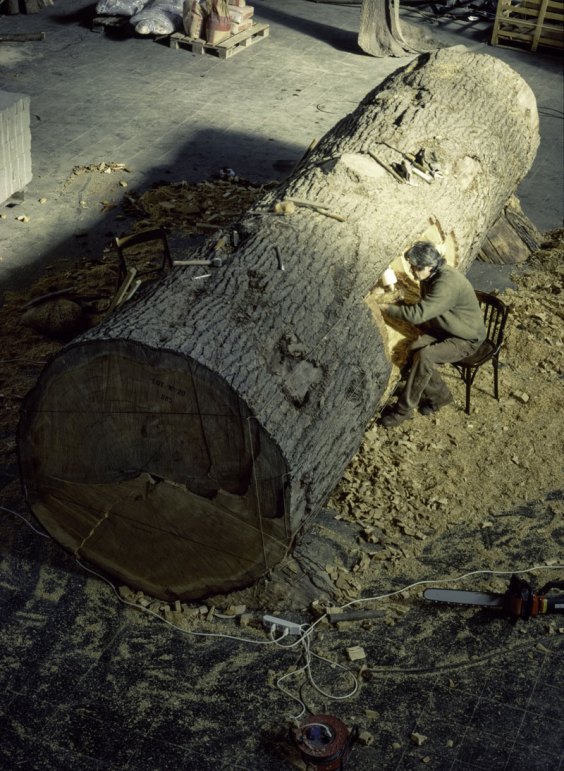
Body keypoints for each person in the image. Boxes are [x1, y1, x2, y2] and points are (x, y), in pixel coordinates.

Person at [379, 241, 486, 428]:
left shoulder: (446, 283)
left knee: (426, 356)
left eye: (415, 268)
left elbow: (419, 314)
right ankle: (441, 397)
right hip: (446, 329)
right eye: (411, 268)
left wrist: (386, 308)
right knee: (412, 348)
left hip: (465, 338)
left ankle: (402, 411)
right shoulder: (430, 276)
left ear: (430, 266)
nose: (412, 272)